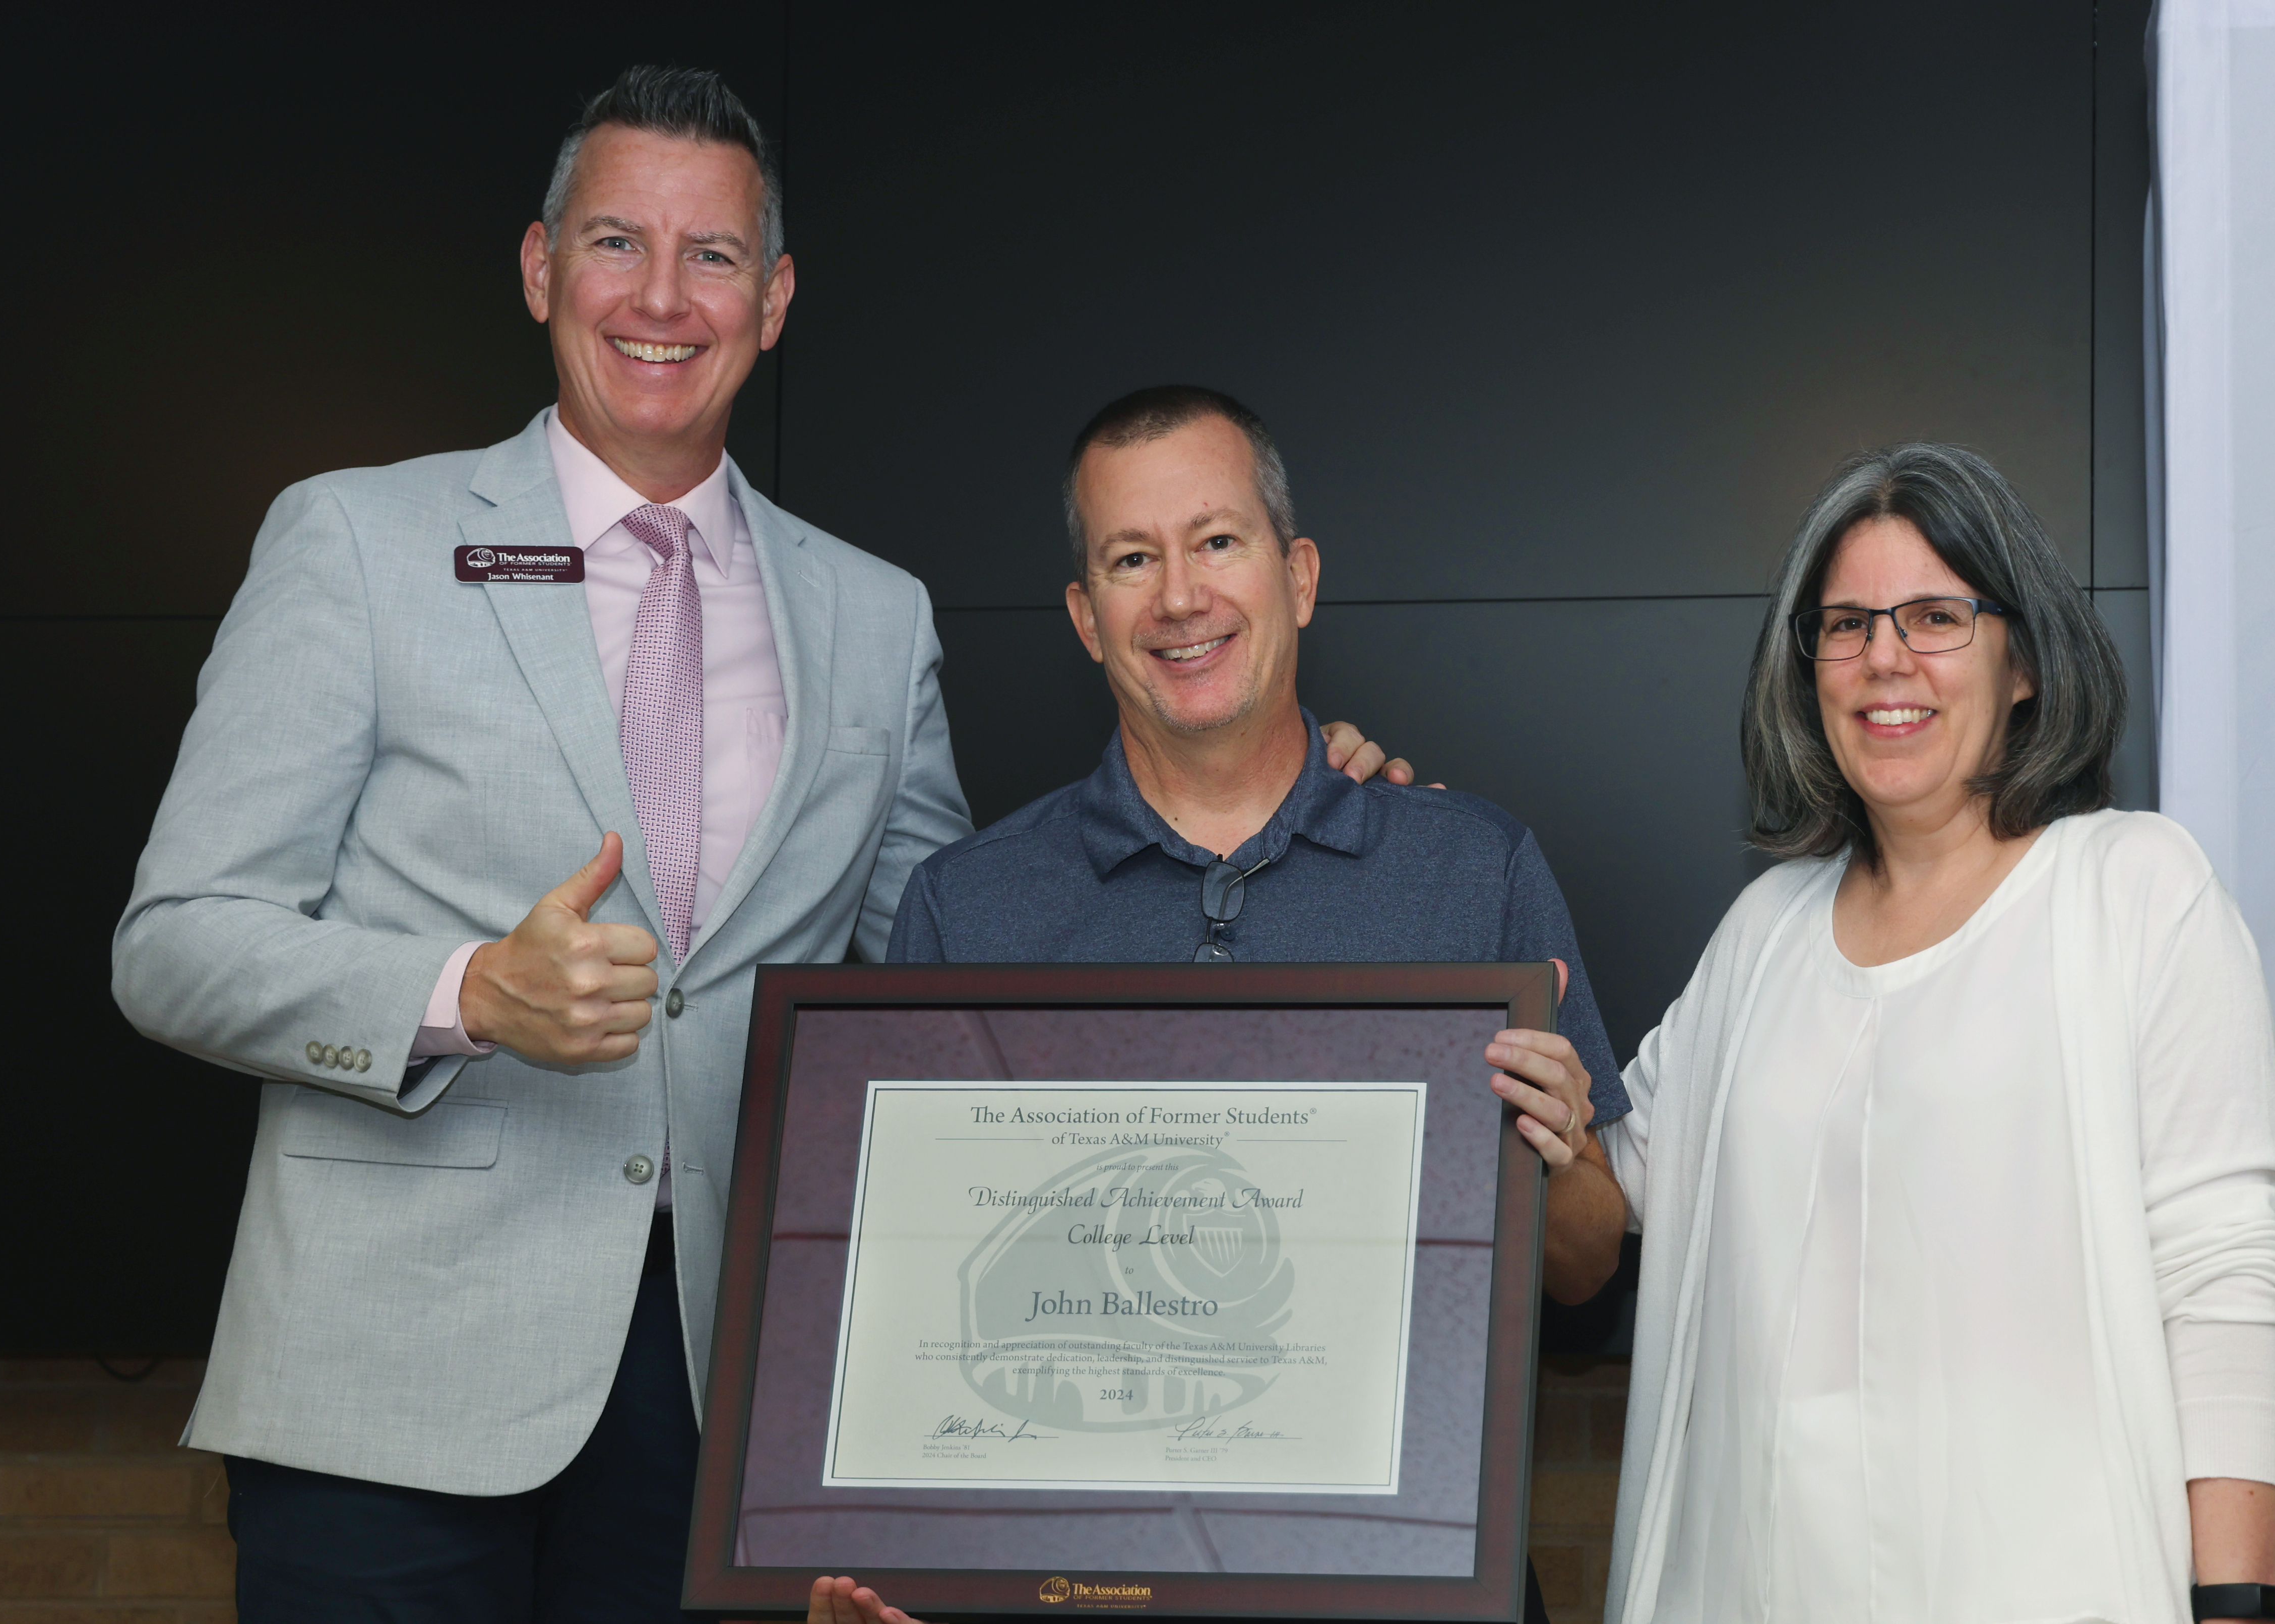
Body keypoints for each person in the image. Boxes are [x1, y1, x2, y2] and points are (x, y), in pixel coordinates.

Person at [111, 74, 1407, 1622]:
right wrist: (466, 993)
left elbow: (958, 962)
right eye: (617, 244)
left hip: (731, 1407)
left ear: (775, 298)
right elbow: (176, 937)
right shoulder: (356, 541)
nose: (663, 297)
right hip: (385, 1391)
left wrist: (1278, 796)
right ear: (539, 270)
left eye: (714, 256)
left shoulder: (870, 614)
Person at [799, 386, 1627, 1624]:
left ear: (1296, 575)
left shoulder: (1471, 868)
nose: (1179, 596)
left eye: (1217, 542)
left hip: (1401, 1586)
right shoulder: (967, 911)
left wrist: (1560, 1158)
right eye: (1132, 559)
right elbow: (914, 1322)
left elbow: (1584, 1274)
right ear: (1087, 616)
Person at [1560, 444, 2275, 1624]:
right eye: (1844, 625)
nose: (1883, 659)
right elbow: (1598, 1203)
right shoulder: (1763, 934)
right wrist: (1421, 909)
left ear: (2021, 662)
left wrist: (2236, 1608)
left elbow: (2218, 1282)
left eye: (1935, 616)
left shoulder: (2133, 892)